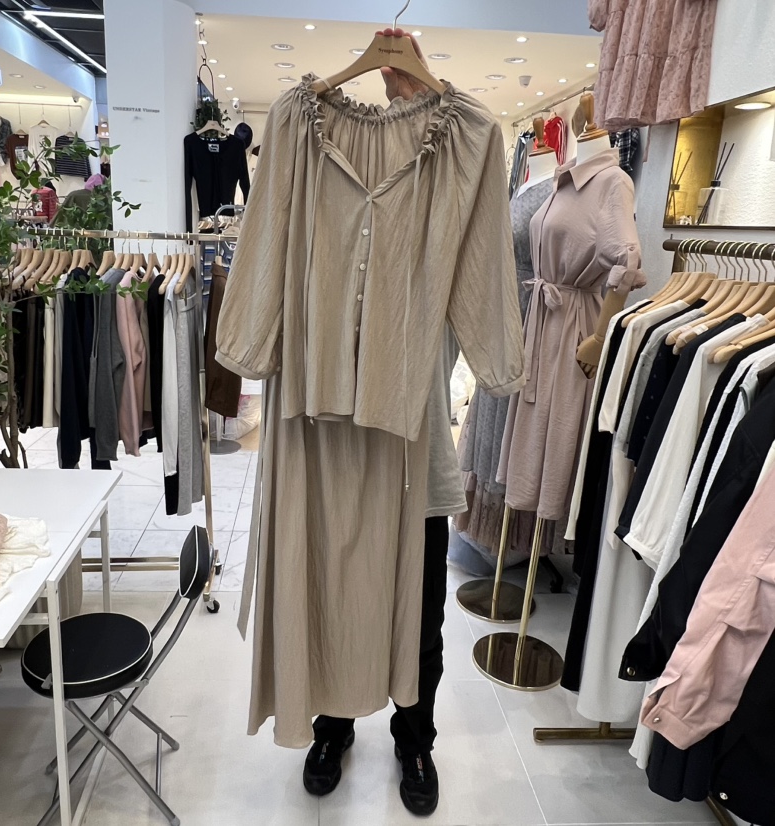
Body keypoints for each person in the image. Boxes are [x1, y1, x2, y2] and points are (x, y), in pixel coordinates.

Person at [302, 29, 455, 817]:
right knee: (338, 585)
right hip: (335, 439)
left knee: (418, 612)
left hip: (417, 442)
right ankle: (333, 725)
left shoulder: (455, 156)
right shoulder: (316, 147)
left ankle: (414, 739)